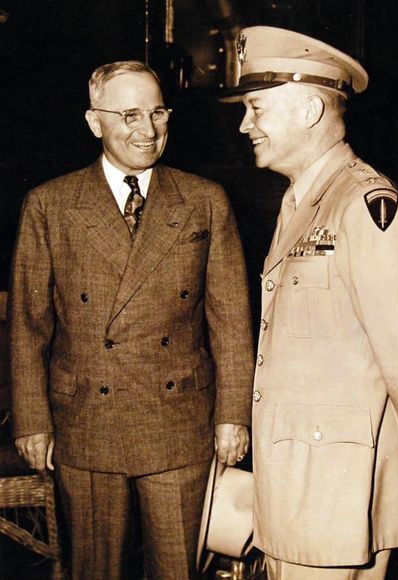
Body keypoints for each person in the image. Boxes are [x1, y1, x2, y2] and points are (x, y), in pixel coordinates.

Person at [221, 26, 398, 579]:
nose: (244, 124)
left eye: (256, 107)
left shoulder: (366, 206)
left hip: (338, 493)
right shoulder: (303, 201)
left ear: (307, 109)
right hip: (298, 486)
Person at [9, 60, 254, 580]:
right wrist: (31, 419)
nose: (147, 130)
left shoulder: (205, 201)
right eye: (129, 114)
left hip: (179, 423)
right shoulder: (49, 205)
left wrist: (233, 415)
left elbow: (231, 320)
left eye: (157, 113)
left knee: (177, 571)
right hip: (86, 423)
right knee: (94, 571)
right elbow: (29, 327)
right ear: (94, 122)